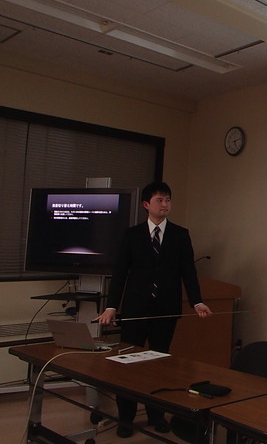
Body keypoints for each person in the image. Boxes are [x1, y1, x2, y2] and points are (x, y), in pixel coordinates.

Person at [96, 181, 212, 438]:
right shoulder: (132, 234)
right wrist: (112, 306)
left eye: (168, 200)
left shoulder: (180, 234)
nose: (165, 204)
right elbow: (120, 273)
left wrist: (197, 301)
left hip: (165, 309)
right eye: (160, 200)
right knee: (128, 364)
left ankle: (156, 414)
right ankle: (126, 418)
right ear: (146, 204)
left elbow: (188, 271)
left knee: (160, 364)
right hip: (135, 309)